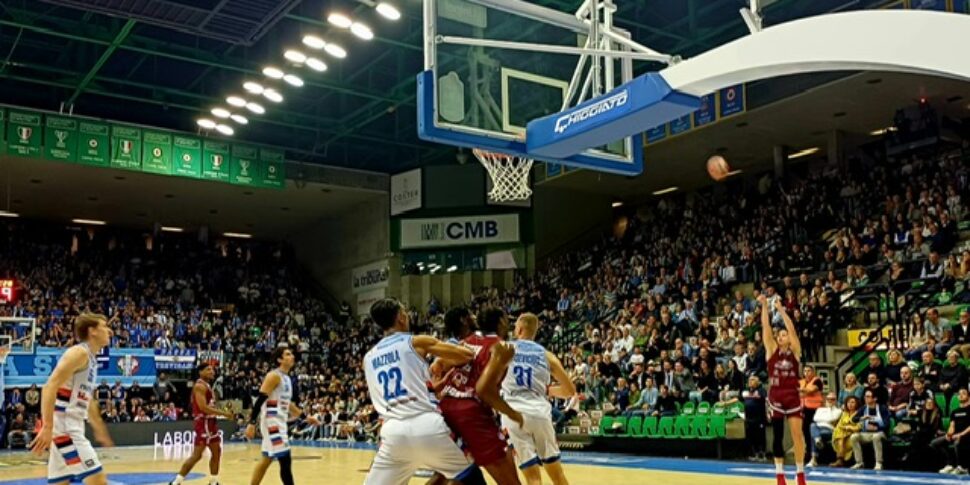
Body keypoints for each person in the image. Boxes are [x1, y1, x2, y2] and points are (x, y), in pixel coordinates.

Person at [361, 298, 484, 485]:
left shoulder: (368, 358)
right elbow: (466, 355)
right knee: (470, 477)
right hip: (426, 425)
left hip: (393, 433)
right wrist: (444, 360)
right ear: (401, 317)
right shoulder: (417, 342)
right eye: (405, 311)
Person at [437, 307, 523, 485]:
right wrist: (512, 413)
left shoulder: (467, 341)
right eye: (506, 320)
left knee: (450, 477)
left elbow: (440, 366)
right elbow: (483, 389)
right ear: (500, 322)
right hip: (471, 413)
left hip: (445, 407)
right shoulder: (502, 346)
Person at [487, 312, 576, 485]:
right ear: (534, 332)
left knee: (532, 477)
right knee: (557, 474)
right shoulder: (547, 355)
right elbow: (569, 390)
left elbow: (489, 381)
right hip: (540, 413)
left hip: (513, 414)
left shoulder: (504, 348)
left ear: (519, 329)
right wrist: (546, 390)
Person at [30, 313, 114, 485]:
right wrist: (47, 426)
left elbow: (87, 399)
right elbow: (49, 387)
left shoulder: (91, 359)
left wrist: (99, 429)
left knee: (60, 482)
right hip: (66, 429)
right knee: (98, 480)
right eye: (104, 327)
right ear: (92, 331)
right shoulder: (78, 353)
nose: (110, 331)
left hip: (69, 427)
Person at [245, 348, 320, 485]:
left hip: (280, 422)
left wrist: (305, 417)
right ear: (279, 359)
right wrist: (251, 423)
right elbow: (260, 399)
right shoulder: (273, 376)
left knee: (266, 459)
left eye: (291, 353)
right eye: (287, 354)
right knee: (285, 459)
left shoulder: (287, 378)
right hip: (272, 422)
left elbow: (288, 404)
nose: (292, 356)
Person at [760, 295, 807, 485]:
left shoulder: (795, 351)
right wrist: (764, 306)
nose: (783, 336)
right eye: (780, 335)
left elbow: (793, 330)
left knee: (797, 435)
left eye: (784, 334)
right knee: (778, 436)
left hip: (793, 396)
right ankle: (780, 474)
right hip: (777, 396)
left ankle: (800, 473)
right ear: (777, 339)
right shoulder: (771, 350)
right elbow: (766, 328)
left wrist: (780, 310)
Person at [169, 362, 235, 485]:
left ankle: (213, 481)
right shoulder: (199, 386)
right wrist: (224, 414)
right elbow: (203, 407)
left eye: (212, 369)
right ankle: (176, 481)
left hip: (210, 423)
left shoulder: (207, 386)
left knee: (217, 451)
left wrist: (221, 412)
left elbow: (209, 406)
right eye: (208, 369)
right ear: (201, 372)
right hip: (204, 423)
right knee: (197, 455)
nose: (212, 371)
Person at [932, 387, 970, 475]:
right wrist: (949, 434)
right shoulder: (955, 412)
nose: (961, 395)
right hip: (956, 435)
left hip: (966, 435)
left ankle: (962, 467)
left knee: (957, 443)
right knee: (935, 443)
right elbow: (952, 425)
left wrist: (960, 434)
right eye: (959, 394)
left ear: (968, 396)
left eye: (963, 393)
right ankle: (950, 463)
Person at [850, 389, 888, 470]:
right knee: (854, 437)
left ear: (875, 398)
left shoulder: (882, 408)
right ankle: (859, 462)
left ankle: (879, 463)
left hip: (880, 433)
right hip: (866, 434)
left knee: (876, 436)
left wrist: (877, 427)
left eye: (868, 396)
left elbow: (886, 423)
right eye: (865, 396)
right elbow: (853, 419)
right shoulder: (864, 408)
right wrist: (861, 418)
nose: (865, 398)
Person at [808, 393, 841, 467]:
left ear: (835, 401)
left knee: (814, 434)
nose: (830, 401)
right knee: (812, 425)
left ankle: (813, 460)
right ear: (826, 400)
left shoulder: (838, 410)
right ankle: (817, 440)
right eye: (828, 399)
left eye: (832, 399)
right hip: (818, 428)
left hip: (829, 430)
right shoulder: (820, 409)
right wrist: (827, 418)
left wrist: (830, 409)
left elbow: (831, 418)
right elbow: (815, 418)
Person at [799, 365, 823, 466]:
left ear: (813, 372)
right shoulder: (801, 382)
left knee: (812, 432)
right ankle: (808, 453)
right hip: (804, 409)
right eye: (805, 371)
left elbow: (810, 391)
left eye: (809, 371)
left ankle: (816, 455)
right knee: (804, 432)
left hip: (815, 410)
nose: (806, 373)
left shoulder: (817, 381)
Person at [830, 396, 861, 467]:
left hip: (853, 433)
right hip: (842, 434)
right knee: (840, 437)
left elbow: (859, 427)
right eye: (848, 402)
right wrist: (843, 429)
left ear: (857, 404)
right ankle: (840, 460)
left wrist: (848, 428)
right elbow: (839, 426)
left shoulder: (859, 414)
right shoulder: (844, 413)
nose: (850, 404)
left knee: (841, 438)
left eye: (853, 402)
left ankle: (840, 459)